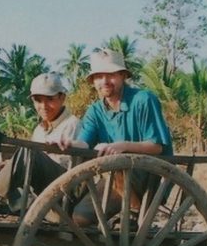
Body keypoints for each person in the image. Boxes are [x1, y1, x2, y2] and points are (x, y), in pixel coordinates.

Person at [60, 48, 174, 224]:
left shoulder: (143, 100)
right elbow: (84, 143)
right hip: (113, 177)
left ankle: (134, 212)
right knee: (76, 217)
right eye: (99, 76)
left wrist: (122, 145)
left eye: (111, 74)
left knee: (113, 161)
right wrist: (67, 142)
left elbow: (156, 146)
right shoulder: (95, 111)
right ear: (93, 81)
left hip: (144, 176)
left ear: (123, 76)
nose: (105, 81)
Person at [0, 72, 80, 211]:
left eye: (49, 99)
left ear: (62, 98)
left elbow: (66, 166)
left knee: (28, 151)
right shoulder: (39, 129)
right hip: (40, 187)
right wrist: (9, 165)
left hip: (64, 192)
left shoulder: (73, 124)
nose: (43, 106)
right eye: (38, 100)